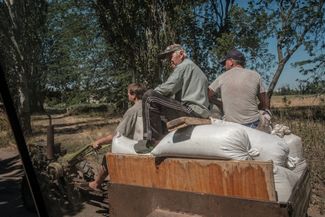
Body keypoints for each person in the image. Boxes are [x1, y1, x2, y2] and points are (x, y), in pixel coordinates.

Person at [142, 44, 210, 145]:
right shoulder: (195, 69)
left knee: (149, 97)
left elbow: (168, 88)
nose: (170, 61)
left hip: (191, 109)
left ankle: (152, 141)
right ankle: (163, 138)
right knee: (157, 103)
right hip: (199, 111)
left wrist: (146, 98)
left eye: (171, 57)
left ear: (181, 54)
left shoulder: (184, 66)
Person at [88, 83, 146, 191]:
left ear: (134, 95)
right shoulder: (149, 107)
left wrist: (99, 141)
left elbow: (117, 135)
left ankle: (96, 183)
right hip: (148, 144)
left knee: (108, 156)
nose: (127, 95)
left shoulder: (133, 110)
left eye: (128, 93)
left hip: (138, 147)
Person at [208, 48, 271, 129]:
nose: (224, 66)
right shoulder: (255, 75)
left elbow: (207, 95)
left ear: (230, 62)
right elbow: (265, 103)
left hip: (231, 125)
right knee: (265, 112)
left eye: (225, 63)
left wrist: (217, 102)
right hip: (253, 124)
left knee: (214, 108)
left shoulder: (222, 77)